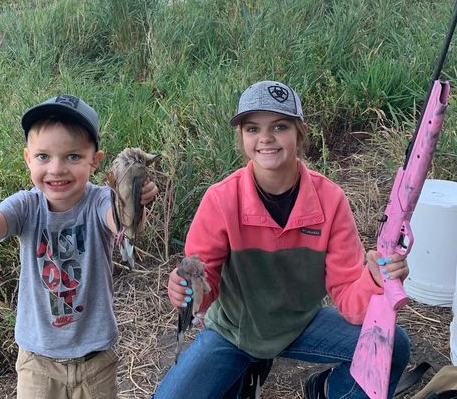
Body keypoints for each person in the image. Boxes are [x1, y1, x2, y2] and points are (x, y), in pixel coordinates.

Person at [154, 80, 411, 399]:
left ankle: (326, 389)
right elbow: (202, 286)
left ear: (300, 133)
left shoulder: (330, 200)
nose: (266, 138)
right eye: (253, 128)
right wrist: (186, 289)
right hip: (234, 332)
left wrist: (374, 281)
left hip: (301, 324)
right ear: (241, 137)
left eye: (280, 126)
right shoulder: (221, 200)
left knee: (393, 344)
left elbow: (348, 297)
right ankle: (246, 371)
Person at [0, 94, 158, 399]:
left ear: (95, 161)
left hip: (95, 362)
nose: (57, 169)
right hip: (38, 364)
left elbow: (122, 222)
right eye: (43, 156)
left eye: (73, 157)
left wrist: (132, 194)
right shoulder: (26, 206)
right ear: (28, 158)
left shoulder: (98, 202)